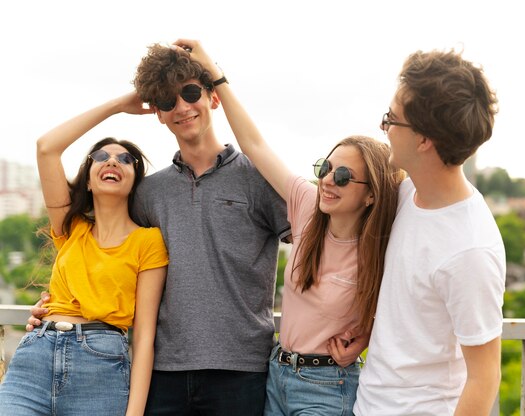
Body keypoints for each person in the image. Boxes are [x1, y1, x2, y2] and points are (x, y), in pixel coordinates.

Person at [28, 39, 290, 415]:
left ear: (213, 97)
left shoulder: (259, 179)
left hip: (241, 371)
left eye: (190, 92)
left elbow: (318, 249)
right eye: (168, 101)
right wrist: (56, 309)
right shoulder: (149, 192)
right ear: (159, 114)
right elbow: (106, 249)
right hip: (162, 373)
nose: (182, 107)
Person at [186, 38, 405, 414]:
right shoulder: (306, 208)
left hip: (327, 385)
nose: (327, 181)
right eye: (325, 168)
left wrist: (366, 335)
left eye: (342, 176)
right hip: (277, 376)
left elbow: (406, 309)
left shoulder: (384, 247)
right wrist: (214, 74)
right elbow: (254, 145)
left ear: (372, 194)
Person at [353, 49, 506, 415]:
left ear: (424, 140)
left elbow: (484, 378)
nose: (384, 127)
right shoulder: (407, 194)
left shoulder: (470, 250)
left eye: (392, 118)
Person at [0, 93, 169, 416]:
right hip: (33, 361)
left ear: (134, 181)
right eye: (101, 156)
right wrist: (118, 106)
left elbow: (145, 338)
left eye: (124, 160)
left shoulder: (148, 242)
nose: (112, 162)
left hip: (100, 366)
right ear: (88, 180)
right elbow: (47, 147)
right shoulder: (70, 226)